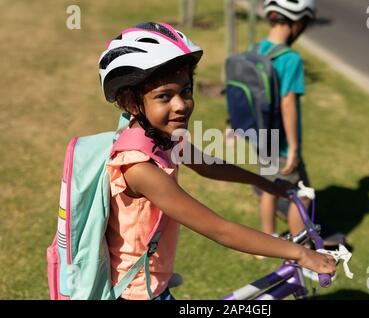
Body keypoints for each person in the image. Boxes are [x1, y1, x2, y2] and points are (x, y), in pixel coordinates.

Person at [99, 22, 335, 300]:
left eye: (185, 92)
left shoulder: (163, 138)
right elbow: (221, 231)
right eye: (164, 96)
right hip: (137, 293)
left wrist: (265, 183)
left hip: (153, 281)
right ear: (130, 102)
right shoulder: (138, 167)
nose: (181, 105)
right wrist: (302, 253)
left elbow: (208, 165)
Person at [255, 0, 317, 243]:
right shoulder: (291, 59)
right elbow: (288, 102)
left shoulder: (258, 49)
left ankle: (265, 241)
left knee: (269, 189)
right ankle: (297, 247)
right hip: (280, 143)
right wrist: (293, 148)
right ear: (298, 21)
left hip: (261, 137)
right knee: (303, 194)